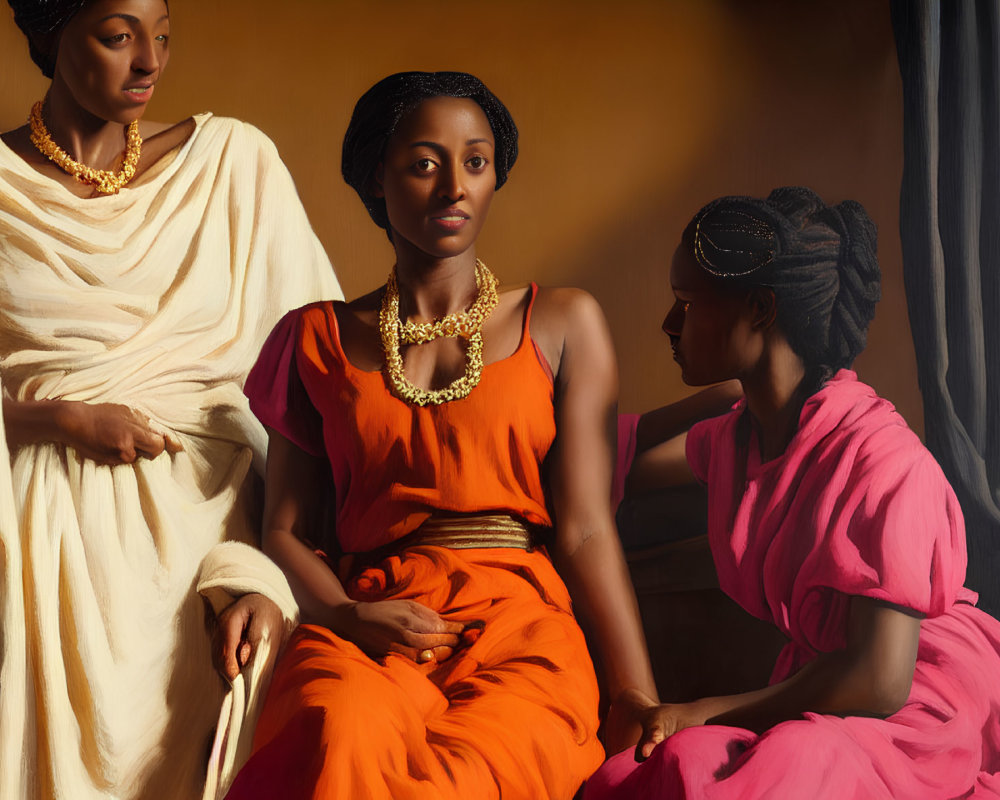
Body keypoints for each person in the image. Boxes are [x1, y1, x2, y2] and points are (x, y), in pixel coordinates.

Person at [222, 70, 660, 800]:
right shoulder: (313, 338)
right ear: (375, 177)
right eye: (425, 164)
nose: (454, 186)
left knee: (460, 780)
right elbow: (289, 531)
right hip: (368, 623)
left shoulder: (563, 322)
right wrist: (346, 616)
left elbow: (584, 530)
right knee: (337, 731)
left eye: (476, 162)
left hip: (520, 625)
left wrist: (634, 691)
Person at [0, 1, 341, 798]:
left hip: (215, 531)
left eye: (161, 37)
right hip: (43, 535)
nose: (149, 62)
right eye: (118, 37)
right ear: (50, 37)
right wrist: (54, 417)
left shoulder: (233, 164)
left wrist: (272, 571)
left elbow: (318, 391)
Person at [583, 187, 1000, 799]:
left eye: (687, 303)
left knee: (780, 764)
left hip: (918, 698)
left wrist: (704, 709)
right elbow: (611, 465)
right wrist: (710, 399)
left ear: (759, 308)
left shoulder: (889, 462)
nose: (670, 325)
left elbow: (880, 681)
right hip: (817, 690)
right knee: (663, 768)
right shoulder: (737, 438)